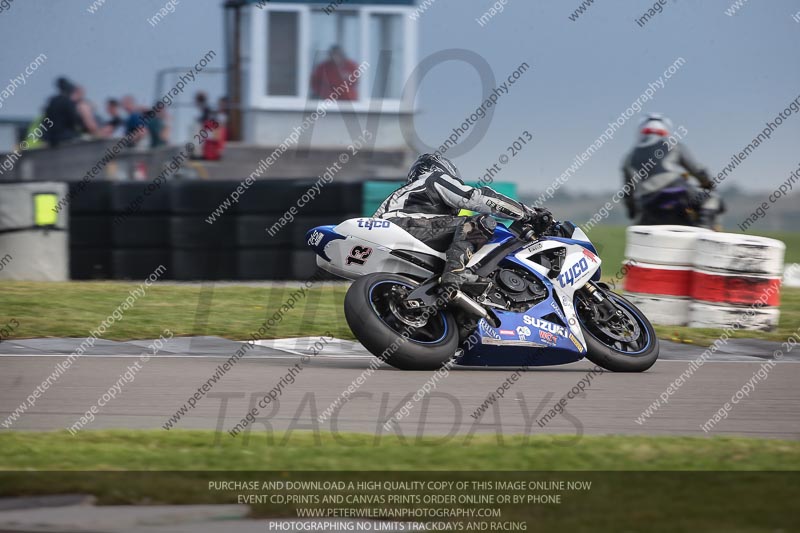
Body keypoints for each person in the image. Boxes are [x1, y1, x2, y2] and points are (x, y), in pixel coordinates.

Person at [374, 154, 552, 293]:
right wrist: (527, 213)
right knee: (481, 223)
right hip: (408, 226)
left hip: (394, 236)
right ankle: (455, 273)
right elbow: (475, 198)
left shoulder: (401, 194)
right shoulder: (434, 178)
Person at [622, 113, 722, 227]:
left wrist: (633, 212)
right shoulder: (673, 145)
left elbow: (628, 195)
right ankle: (704, 237)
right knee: (712, 199)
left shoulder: (628, 158)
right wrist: (709, 185)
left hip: (647, 204)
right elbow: (698, 171)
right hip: (677, 192)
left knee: (640, 233)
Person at [42, 77, 82, 147]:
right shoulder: (67, 102)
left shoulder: (52, 101)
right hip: (64, 136)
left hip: (51, 138)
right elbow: (74, 119)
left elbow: (46, 118)